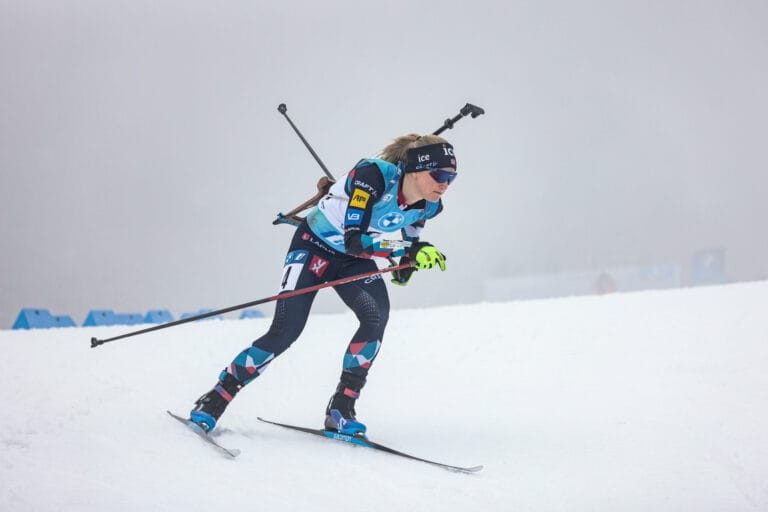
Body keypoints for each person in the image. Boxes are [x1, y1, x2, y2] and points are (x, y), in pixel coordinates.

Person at [188, 133, 457, 436]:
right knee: (285, 331)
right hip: (314, 247)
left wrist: (406, 264)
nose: (445, 183)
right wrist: (403, 252)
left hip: (352, 262)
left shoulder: (430, 206)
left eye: (452, 177)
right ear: (416, 169)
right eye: (440, 174)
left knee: (376, 317)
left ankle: (342, 408)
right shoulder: (372, 176)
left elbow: (409, 239)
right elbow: (354, 241)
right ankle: (216, 397)